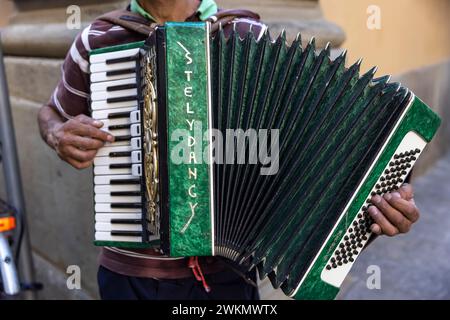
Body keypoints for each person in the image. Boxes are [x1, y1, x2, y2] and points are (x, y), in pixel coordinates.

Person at [37, 0, 420, 300]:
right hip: (131, 277)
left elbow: (301, 152)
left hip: (227, 278)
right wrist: (58, 134)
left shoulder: (246, 35)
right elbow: (52, 113)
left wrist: (375, 204)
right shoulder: (99, 41)